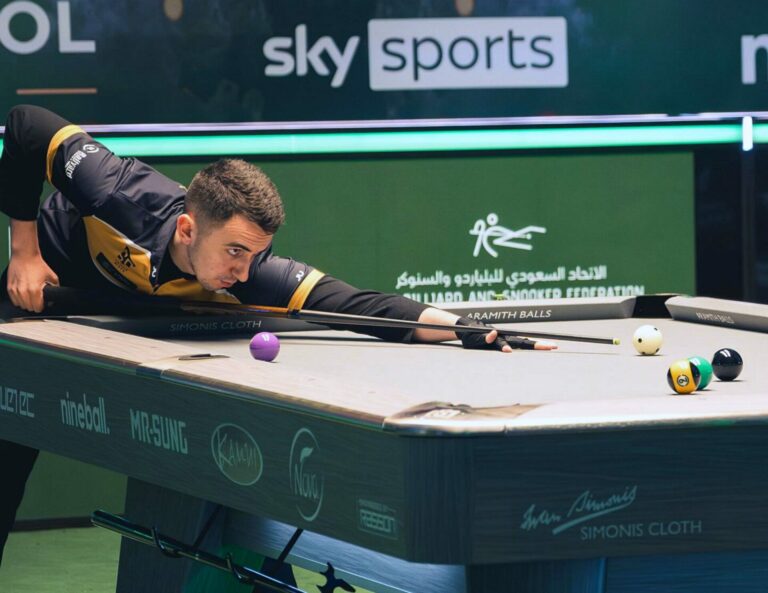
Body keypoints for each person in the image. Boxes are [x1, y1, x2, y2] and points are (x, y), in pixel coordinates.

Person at [0, 104, 555, 565]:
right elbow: (26, 125)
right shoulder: (115, 190)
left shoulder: (250, 272)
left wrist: (466, 329)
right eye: (234, 252)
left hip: (122, 314)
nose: (243, 272)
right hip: (44, 289)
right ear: (188, 229)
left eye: (255, 255)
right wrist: (24, 252)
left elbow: (361, 307)